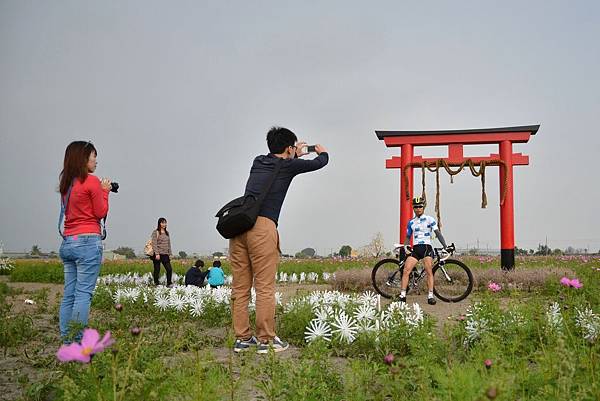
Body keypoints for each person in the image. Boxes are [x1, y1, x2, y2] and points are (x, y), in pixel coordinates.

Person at [230, 126, 329, 354]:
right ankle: (266, 339)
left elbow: (280, 158)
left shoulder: (258, 161)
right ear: (289, 148)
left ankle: (242, 339)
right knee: (264, 286)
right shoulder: (287, 165)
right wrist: (321, 151)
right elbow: (320, 163)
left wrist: (293, 152)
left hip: (239, 227)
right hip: (262, 227)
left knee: (240, 287)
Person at [58, 141, 111, 341]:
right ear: (83, 158)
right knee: (83, 295)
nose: (96, 161)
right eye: (93, 156)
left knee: (69, 295)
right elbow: (100, 212)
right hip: (87, 242)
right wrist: (104, 191)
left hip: (69, 241)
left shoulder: (66, 183)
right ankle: (78, 341)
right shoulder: (92, 181)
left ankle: (67, 340)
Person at [399, 196, 448, 305]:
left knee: (429, 271)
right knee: (406, 270)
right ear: (413, 208)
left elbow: (437, 233)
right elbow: (408, 237)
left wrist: (445, 245)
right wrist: (406, 246)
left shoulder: (430, 219)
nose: (418, 208)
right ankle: (402, 295)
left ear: (423, 207)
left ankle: (430, 296)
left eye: (420, 206)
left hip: (426, 248)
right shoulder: (411, 222)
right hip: (416, 249)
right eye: (416, 207)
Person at [150, 217, 173, 286]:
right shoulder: (155, 232)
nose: (164, 224)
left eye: (165, 223)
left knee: (169, 269)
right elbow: (154, 243)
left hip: (165, 254)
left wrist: (169, 253)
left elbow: (169, 243)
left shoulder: (167, 233)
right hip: (158, 254)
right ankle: (156, 283)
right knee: (157, 269)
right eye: (162, 222)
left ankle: (169, 283)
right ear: (159, 223)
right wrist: (157, 254)